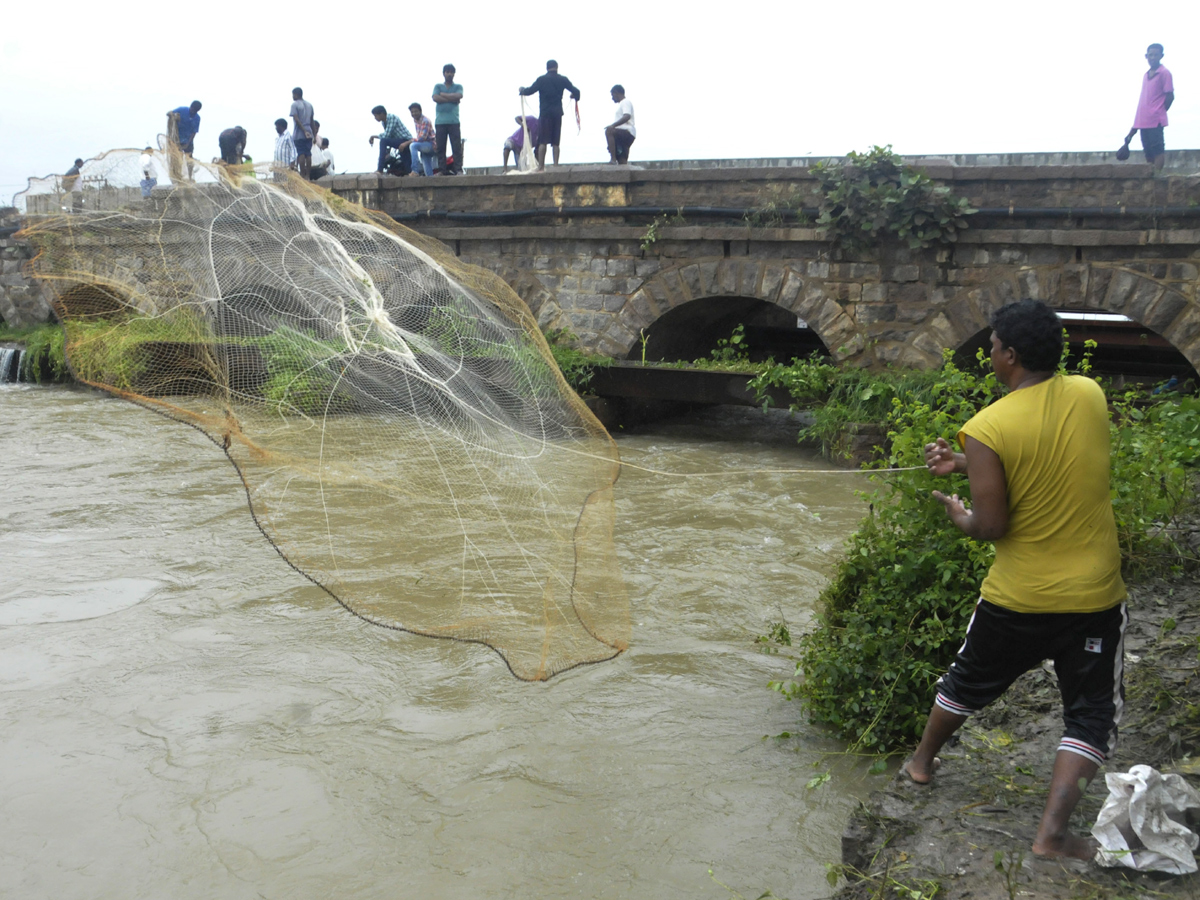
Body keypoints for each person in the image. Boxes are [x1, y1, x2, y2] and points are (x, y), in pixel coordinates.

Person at [905, 300, 1127, 861]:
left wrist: (960, 512)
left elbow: (992, 524)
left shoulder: (988, 426)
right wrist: (966, 462)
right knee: (1090, 714)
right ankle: (1051, 836)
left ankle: (920, 765)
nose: (990, 352)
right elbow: (1048, 455)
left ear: (1009, 355)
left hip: (1020, 597)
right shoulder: (1089, 395)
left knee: (966, 683)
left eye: (995, 344)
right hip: (1094, 596)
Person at [519, 60, 580, 170]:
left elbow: (530, 91)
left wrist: (522, 90)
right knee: (556, 142)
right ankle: (555, 165)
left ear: (547, 68)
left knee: (543, 141)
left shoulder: (542, 79)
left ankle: (541, 166)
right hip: (557, 113)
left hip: (545, 113)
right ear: (557, 67)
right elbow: (576, 91)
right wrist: (573, 96)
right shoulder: (563, 79)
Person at [1122, 43, 1174, 170]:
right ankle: (1151, 175)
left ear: (1161, 56)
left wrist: (1159, 111)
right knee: (1148, 151)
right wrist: (1133, 129)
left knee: (1158, 149)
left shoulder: (1164, 73)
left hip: (1156, 120)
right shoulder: (1146, 75)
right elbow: (1143, 103)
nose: (1153, 57)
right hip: (1143, 120)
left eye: (1156, 55)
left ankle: (1157, 175)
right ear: (1146, 56)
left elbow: (1170, 96)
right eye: (1150, 55)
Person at [433, 64, 463, 175]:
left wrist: (443, 95)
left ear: (454, 74)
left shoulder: (458, 86)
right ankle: (442, 170)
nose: (449, 74)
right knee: (441, 147)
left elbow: (459, 96)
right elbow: (435, 97)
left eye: (451, 72)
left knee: (456, 147)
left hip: (454, 122)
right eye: (447, 72)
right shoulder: (438, 86)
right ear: (444, 73)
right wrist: (452, 98)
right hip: (440, 122)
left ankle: (458, 169)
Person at [369, 105, 413, 176]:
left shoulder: (391, 117)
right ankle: (409, 172)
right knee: (407, 166)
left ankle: (380, 169)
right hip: (399, 141)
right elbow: (389, 136)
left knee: (383, 141)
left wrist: (374, 136)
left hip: (406, 140)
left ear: (382, 114)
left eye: (376, 116)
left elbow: (387, 135)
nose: (375, 118)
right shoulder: (384, 122)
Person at [166, 100, 202, 181]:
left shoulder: (197, 118)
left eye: (195, 111)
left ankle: (190, 176)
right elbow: (168, 113)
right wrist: (173, 116)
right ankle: (177, 176)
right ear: (191, 107)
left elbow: (194, 132)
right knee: (177, 158)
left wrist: (188, 143)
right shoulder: (182, 110)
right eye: (192, 109)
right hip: (176, 139)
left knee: (189, 158)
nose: (193, 112)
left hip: (188, 140)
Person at [605, 85, 636, 165]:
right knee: (621, 158)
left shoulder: (625, 102)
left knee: (609, 131)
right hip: (626, 134)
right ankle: (622, 168)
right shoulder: (623, 104)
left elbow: (627, 116)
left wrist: (613, 126)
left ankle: (613, 159)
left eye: (612, 95)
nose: (612, 98)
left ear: (616, 93)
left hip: (626, 131)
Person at [290, 87, 315, 180]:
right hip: (309, 131)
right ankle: (308, 175)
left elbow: (296, 119)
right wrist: (314, 134)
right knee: (308, 153)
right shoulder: (309, 105)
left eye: (293, 95)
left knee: (301, 153)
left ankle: (303, 175)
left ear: (296, 94)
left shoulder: (294, 105)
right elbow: (312, 121)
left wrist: (304, 131)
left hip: (299, 133)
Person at [407, 103, 436, 177]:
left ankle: (415, 171)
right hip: (425, 145)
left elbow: (422, 138)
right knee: (427, 168)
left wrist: (409, 141)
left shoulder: (425, 121)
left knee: (413, 146)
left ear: (420, 111)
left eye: (416, 111)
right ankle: (431, 182)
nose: (414, 113)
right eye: (412, 112)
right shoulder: (416, 120)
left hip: (431, 145)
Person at [273, 117, 297, 182]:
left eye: (277, 126)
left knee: (285, 183)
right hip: (277, 167)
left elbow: (293, 149)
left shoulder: (288, 136)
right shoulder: (278, 138)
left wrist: (292, 163)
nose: (276, 128)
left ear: (281, 126)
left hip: (285, 167)